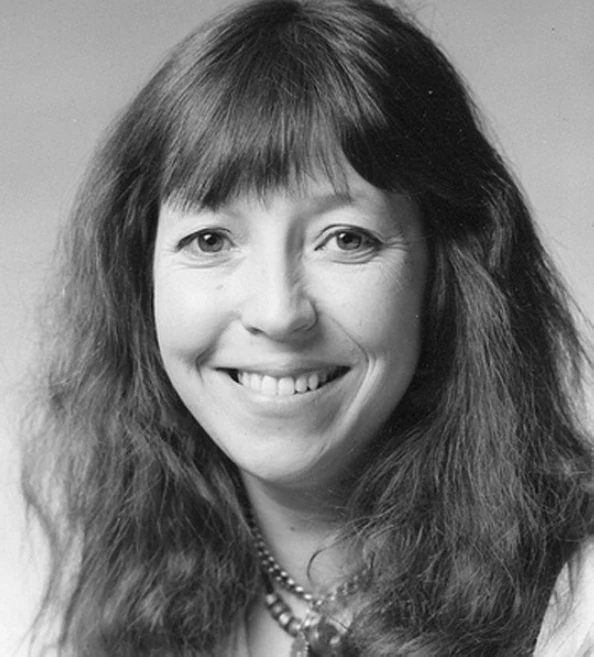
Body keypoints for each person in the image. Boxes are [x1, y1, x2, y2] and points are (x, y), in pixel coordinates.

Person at [21, 0, 594, 655]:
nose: (277, 311)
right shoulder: (129, 604)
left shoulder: (580, 607)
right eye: (210, 240)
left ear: (446, 276)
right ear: (138, 279)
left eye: (345, 238)